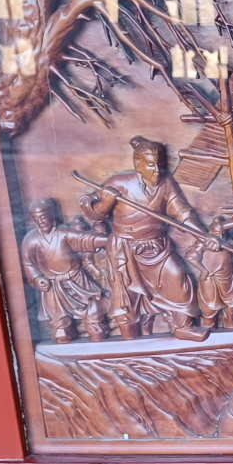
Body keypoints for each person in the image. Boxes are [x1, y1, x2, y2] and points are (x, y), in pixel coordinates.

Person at [80, 136, 214, 342]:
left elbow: (182, 213)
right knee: (127, 297)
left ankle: (183, 327)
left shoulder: (166, 183)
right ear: (138, 164)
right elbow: (94, 213)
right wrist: (105, 203)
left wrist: (203, 236)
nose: (157, 170)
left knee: (178, 278)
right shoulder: (118, 183)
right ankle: (129, 338)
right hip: (125, 248)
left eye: (160, 164)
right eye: (151, 165)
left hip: (157, 247)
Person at [21, 198, 108, 343]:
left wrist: (108, 240)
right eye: (37, 218)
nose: (41, 221)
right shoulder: (30, 240)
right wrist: (37, 278)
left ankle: (96, 331)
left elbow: (84, 240)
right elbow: (28, 264)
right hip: (53, 285)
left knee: (94, 315)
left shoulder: (63, 232)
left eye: (43, 216)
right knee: (61, 330)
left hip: (77, 278)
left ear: (51, 214)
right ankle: (65, 333)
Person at [190, 217, 233, 329]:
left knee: (231, 310)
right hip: (211, 280)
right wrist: (203, 270)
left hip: (228, 279)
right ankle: (210, 336)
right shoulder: (204, 242)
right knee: (209, 312)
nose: (220, 235)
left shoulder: (229, 241)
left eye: (223, 232)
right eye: (217, 233)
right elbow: (191, 257)